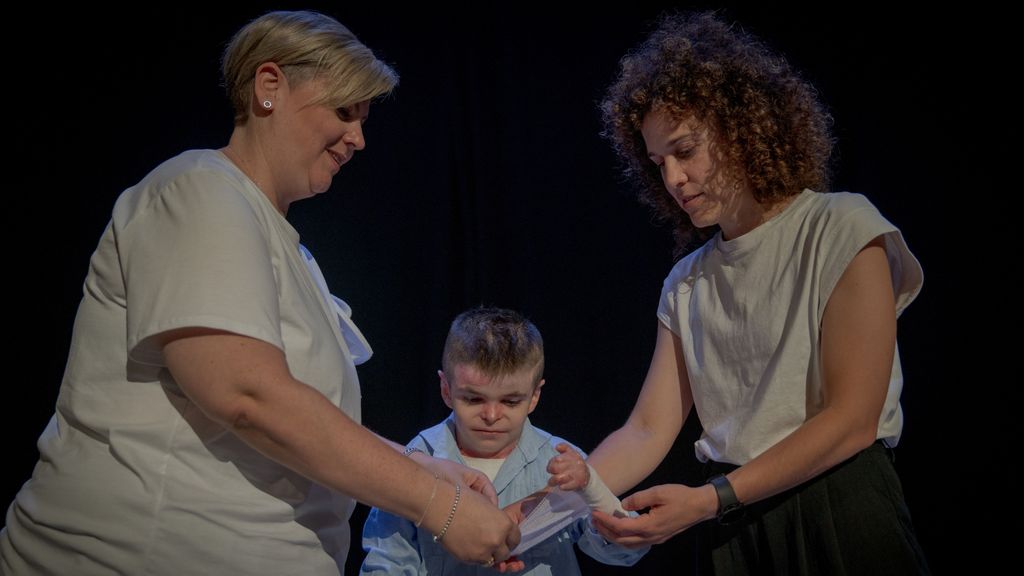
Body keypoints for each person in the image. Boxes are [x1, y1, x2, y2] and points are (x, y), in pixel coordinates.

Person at [0, 11, 518, 575]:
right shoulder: (199, 188)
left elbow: (298, 427)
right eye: (345, 111)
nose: (359, 138)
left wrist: (421, 470)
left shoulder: (288, 248)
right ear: (269, 86)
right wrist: (435, 505)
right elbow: (247, 394)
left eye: (365, 119)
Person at [549, 11, 930, 575]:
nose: (673, 178)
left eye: (685, 150)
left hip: (837, 506)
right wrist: (544, 510)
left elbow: (853, 418)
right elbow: (647, 429)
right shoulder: (687, 282)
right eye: (659, 163)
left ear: (741, 126)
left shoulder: (841, 227)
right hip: (733, 528)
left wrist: (710, 499)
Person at [361, 307, 646, 575]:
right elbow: (388, 560)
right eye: (473, 399)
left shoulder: (563, 462)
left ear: (534, 396)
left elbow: (623, 552)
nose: (492, 415)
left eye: (510, 401)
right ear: (446, 389)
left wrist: (592, 489)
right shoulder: (416, 456)